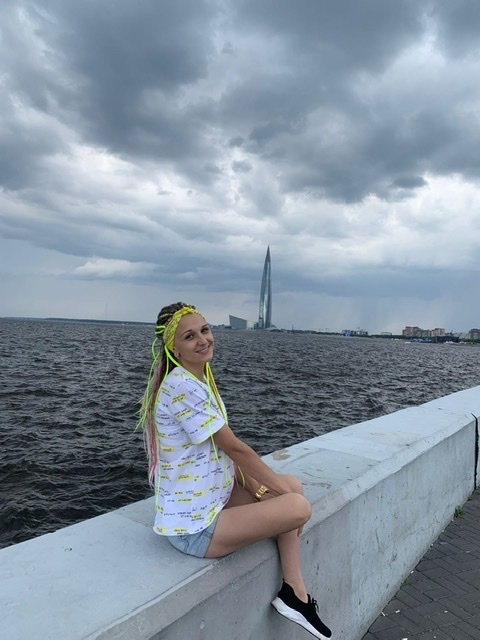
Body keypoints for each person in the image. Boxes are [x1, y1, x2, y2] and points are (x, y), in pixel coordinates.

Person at [138, 302, 332, 640]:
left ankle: (294, 592)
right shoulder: (181, 386)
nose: (203, 340)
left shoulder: (197, 380)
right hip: (193, 528)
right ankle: (296, 596)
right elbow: (235, 448)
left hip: (213, 499)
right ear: (174, 349)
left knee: (293, 487)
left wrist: (263, 489)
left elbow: (222, 455)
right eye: (189, 336)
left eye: (204, 330)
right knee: (296, 505)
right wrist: (277, 494)